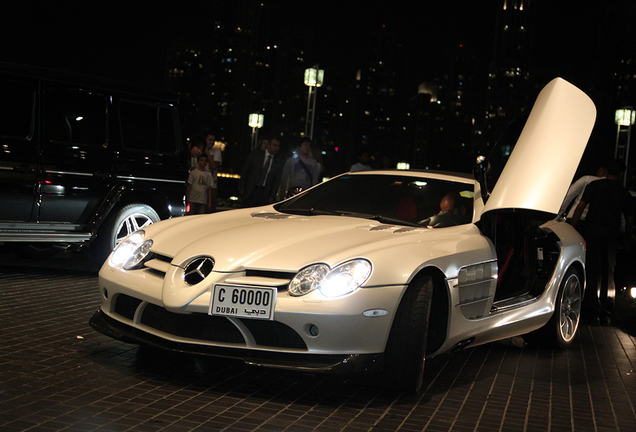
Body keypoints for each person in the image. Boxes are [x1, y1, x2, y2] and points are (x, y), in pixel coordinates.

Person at [570, 158, 634, 325]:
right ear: (621, 174)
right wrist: (628, 237)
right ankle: (607, 309)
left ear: (606, 171)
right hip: (611, 234)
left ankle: (591, 309)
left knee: (591, 269)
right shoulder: (623, 192)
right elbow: (629, 220)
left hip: (592, 231)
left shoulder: (594, 186)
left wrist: (573, 228)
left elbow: (580, 207)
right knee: (608, 271)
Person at [559, 163, 608, 227]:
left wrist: (557, 216)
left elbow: (569, 196)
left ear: (602, 171)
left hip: (575, 217)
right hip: (595, 223)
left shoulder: (587, 179)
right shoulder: (612, 187)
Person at [239, 137, 283, 207]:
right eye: (275, 146)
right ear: (269, 145)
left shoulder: (278, 161)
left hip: (265, 192)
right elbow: (245, 171)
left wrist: (272, 196)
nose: (277, 148)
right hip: (252, 189)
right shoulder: (256, 155)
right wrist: (242, 188)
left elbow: (276, 181)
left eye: (278, 146)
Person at [204, 132, 222, 213]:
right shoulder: (199, 150)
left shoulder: (217, 152)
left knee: (210, 209)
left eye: (213, 140)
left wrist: (207, 153)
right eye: (210, 140)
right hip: (201, 184)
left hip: (212, 185)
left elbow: (214, 166)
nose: (211, 142)